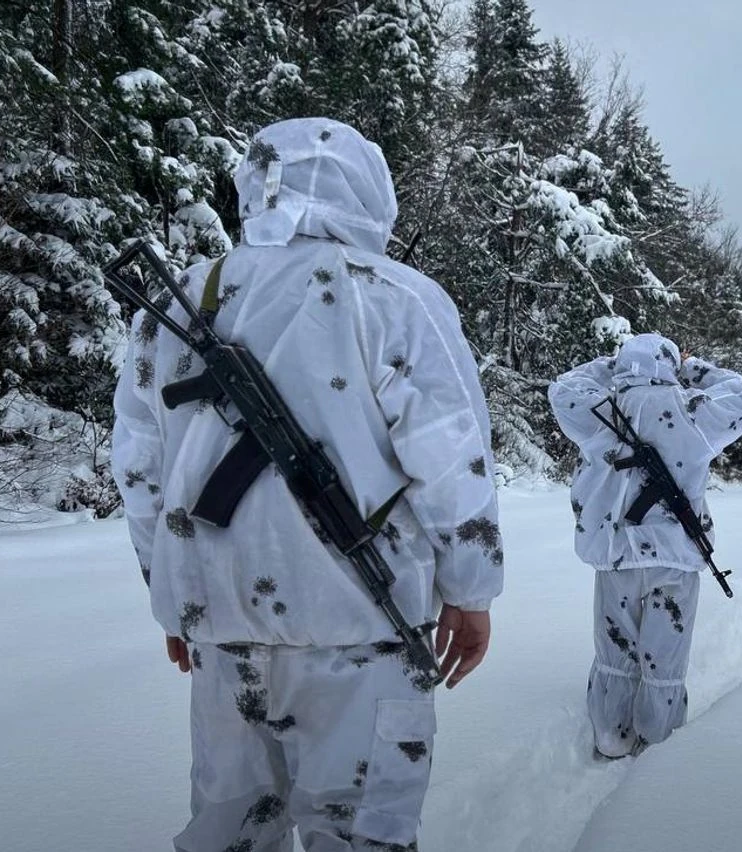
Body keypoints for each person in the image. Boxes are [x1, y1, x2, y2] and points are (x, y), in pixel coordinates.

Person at [111, 118, 502, 852]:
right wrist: (470, 589)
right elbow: (452, 459)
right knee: (359, 834)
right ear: (366, 189)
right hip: (363, 628)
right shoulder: (394, 295)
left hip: (222, 619)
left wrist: (173, 592)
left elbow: (141, 469)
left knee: (230, 832)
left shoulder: (184, 298)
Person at [548, 333, 742, 759]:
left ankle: (611, 737)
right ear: (670, 366)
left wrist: (616, 366)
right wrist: (692, 368)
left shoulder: (598, 410)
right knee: (666, 656)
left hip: (617, 553)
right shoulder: (695, 412)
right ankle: (659, 745)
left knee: (616, 649)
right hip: (675, 555)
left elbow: (563, 388)